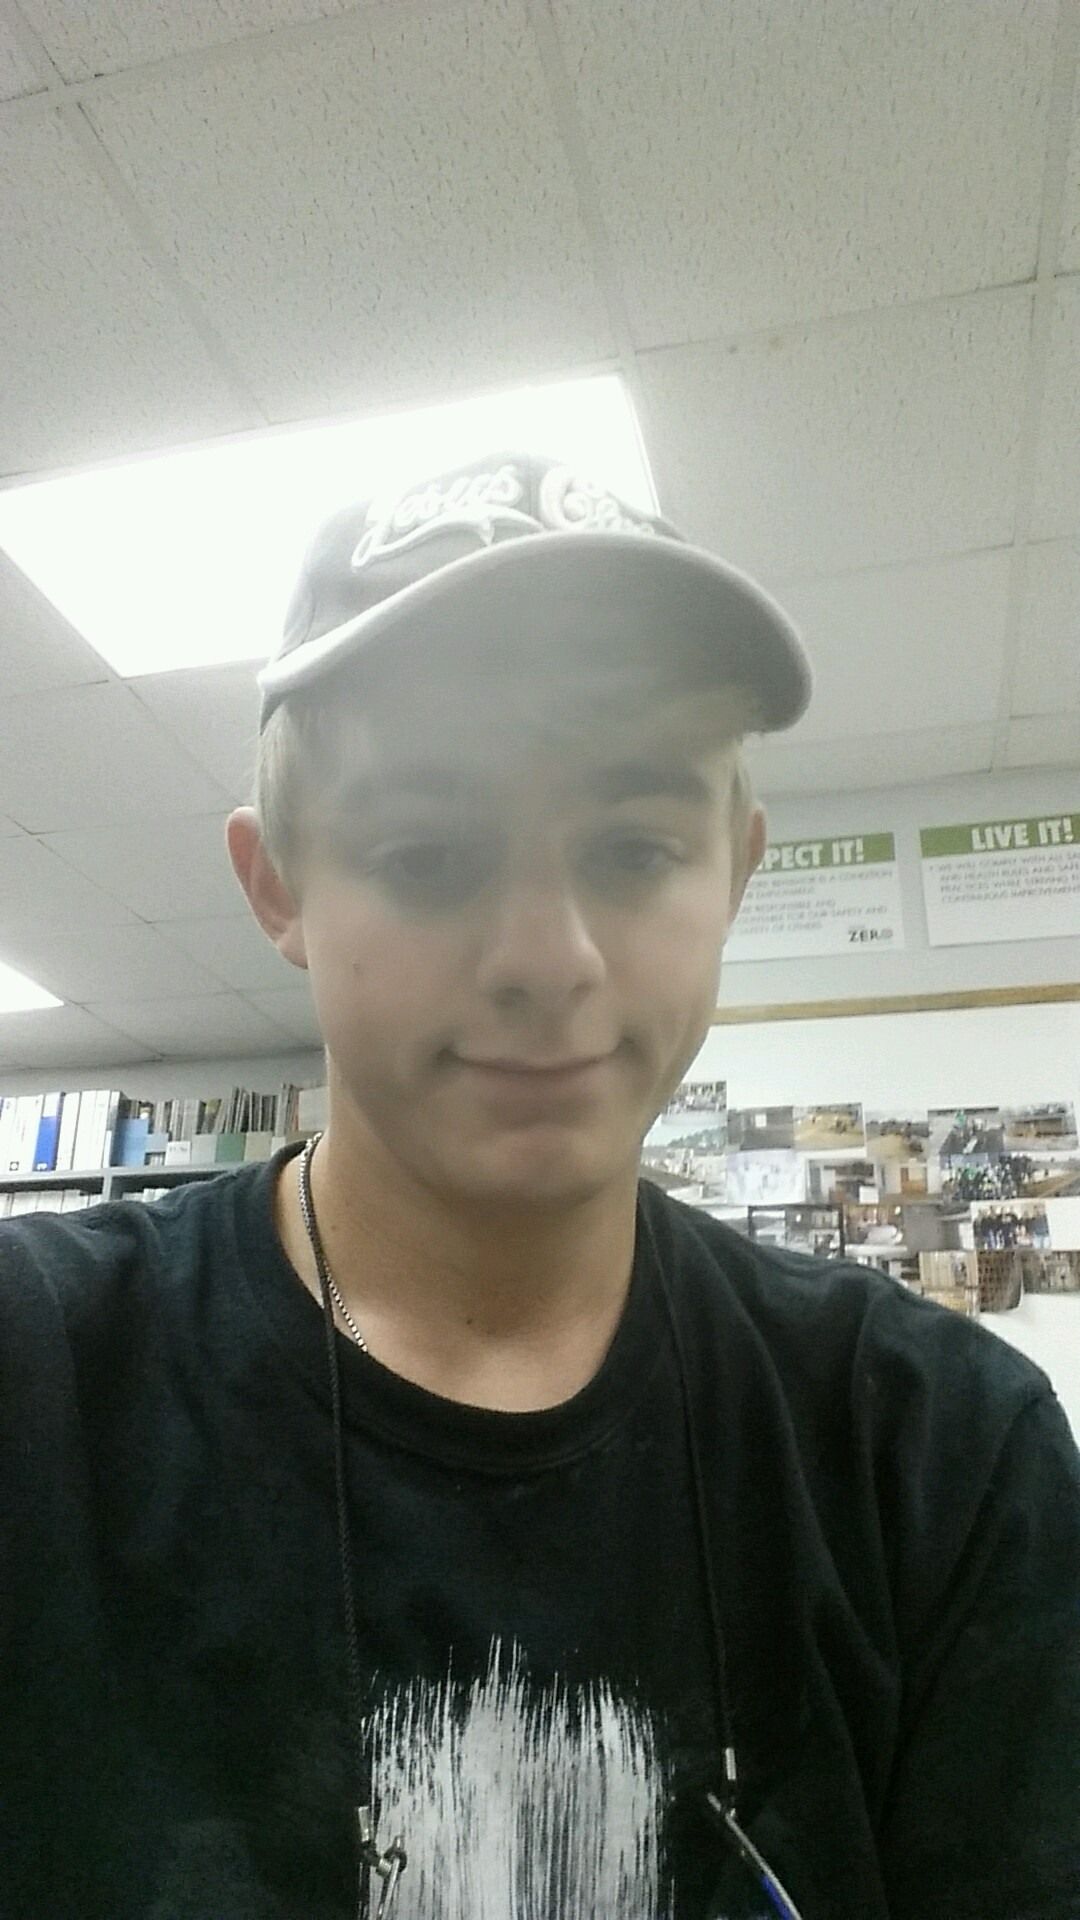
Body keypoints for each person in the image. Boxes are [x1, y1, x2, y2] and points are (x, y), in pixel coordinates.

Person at [2, 449, 1078, 1920]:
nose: (546, 958)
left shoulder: (937, 1453)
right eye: (427, 853)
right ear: (278, 888)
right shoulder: (40, 1384)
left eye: (635, 849)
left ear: (735, 872)